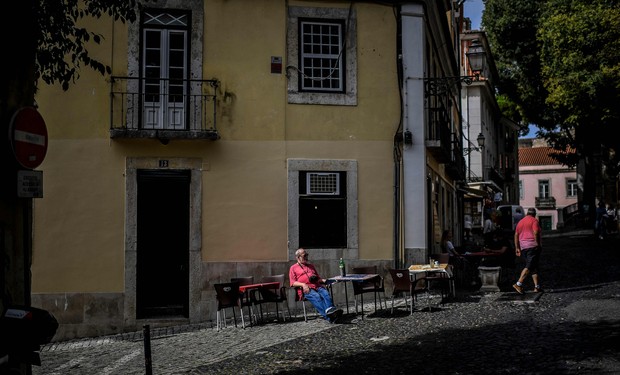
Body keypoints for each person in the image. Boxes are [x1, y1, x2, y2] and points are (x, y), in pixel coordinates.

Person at [289, 248, 343, 323]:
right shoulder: (293, 268)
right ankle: (330, 317)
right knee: (317, 296)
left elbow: (318, 278)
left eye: (307, 255)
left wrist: (324, 280)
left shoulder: (311, 266)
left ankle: (332, 313)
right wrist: (303, 284)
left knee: (326, 294)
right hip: (305, 289)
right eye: (304, 256)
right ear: (298, 257)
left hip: (317, 286)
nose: (306, 257)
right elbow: (292, 282)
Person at [513, 208, 542, 294]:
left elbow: (516, 235)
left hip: (523, 247)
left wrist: (517, 247)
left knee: (533, 266)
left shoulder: (521, 222)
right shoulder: (534, 221)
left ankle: (537, 287)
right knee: (529, 266)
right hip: (532, 246)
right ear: (534, 214)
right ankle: (518, 283)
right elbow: (536, 232)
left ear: (527, 213)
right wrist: (538, 244)